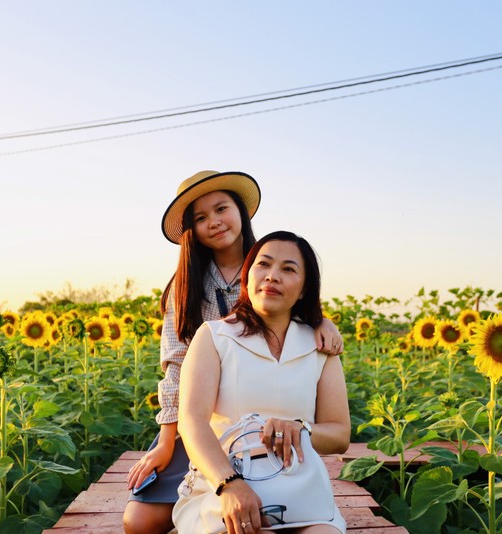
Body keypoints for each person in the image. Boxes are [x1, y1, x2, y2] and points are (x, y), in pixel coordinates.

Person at [124, 172, 344, 534]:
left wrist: (324, 322)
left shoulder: (267, 264)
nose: (213, 222)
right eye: (200, 217)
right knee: (140, 521)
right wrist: (166, 443)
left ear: (241, 211)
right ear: (191, 231)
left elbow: (299, 313)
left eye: (221, 208)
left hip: (260, 417)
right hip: (202, 413)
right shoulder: (187, 285)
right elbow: (176, 364)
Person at [173, 230, 351, 533]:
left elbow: (339, 434)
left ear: (305, 288)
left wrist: (300, 428)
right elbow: (191, 422)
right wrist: (229, 485)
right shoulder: (215, 336)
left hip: (299, 489)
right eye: (263, 265)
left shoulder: (320, 347)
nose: (272, 276)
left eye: (288, 269)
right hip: (222, 485)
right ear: (247, 276)